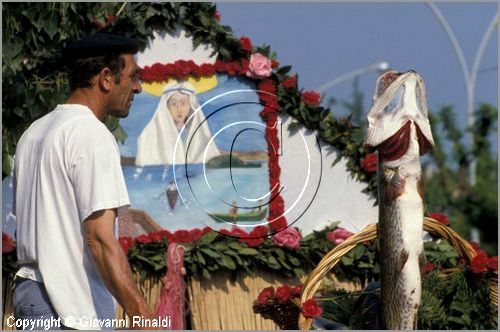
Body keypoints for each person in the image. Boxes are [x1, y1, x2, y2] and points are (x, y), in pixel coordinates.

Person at [12, 33, 155, 329]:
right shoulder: (92, 135)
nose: (138, 87)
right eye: (132, 77)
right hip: (64, 304)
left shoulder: (34, 133)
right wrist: (143, 316)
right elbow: (100, 239)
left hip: (29, 296)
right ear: (106, 78)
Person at [135, 81, 220, 166]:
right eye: (174, 104)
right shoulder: (151, 134)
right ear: (166, 107)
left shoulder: (199, 133)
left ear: (191, 105)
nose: (179, 109)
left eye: (183, 103)